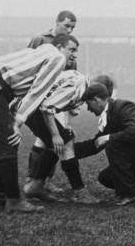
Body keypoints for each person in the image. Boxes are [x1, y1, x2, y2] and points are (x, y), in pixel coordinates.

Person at [0, 34, 78, 212]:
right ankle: (14, 201)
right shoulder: (57, 57)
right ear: (60, 46)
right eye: (72, 49)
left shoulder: (43, 50)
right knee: (9, 140)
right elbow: (37, 92)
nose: (74, 55)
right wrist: (18, 121)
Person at [74, 83, 135, 206]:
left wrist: (109, 137)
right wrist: (68, 152)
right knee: (106, 177)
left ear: (96, 100)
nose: (89, 109)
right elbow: (96, 144)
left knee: (112, 145)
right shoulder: (110, 114)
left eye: (88, 104)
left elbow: (134, 132)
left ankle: (131, 194)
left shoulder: (125, 107)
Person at [21, 69, 101, 204]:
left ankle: (34, 185)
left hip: (30, 106)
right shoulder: (78, 86)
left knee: (56, 142)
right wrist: (56, 134)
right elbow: (47, 107)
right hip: (33, 108)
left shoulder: (79, 80)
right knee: (65, 142)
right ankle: (79, 192)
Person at [26, 10, 78, 194]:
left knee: (57, 138)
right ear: (56, 22)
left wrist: (71, 103)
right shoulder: (39, 40)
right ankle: (33, 179)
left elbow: (72, 71)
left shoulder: (70, 45)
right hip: (40, 98)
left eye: (73, 27)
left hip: (59, 100)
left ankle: (45, 180)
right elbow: (27, 63)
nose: (70, 29)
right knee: (49, 138)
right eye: (67, 25)